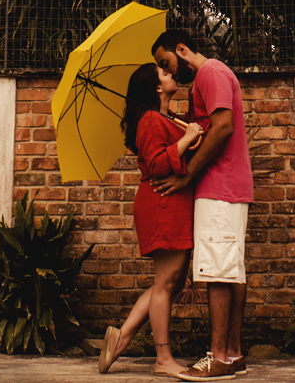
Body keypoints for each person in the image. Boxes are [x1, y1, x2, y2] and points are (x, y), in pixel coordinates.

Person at [150, 30, 252, 382]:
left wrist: (187, 175)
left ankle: (218, 357)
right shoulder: (204, 83)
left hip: (219, 186)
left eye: (166, 62)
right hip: (226, 186)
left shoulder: (210, 72)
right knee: (230, 268)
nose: (170, 72)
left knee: (217, 271)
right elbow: (212, 128)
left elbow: (223, 128)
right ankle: (233, 354)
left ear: (181, 49)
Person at [99, 63, 204, 377]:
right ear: (156, 87)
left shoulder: (164, 117)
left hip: (172, 203)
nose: (171, 73)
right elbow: (158, 163)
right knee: (166, 285)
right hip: (162, 203)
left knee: (168, 284)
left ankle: (121, 337)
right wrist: (187, 139)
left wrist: (189, 130)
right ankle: (163, 358)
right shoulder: (148, 119)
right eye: (163, 72)